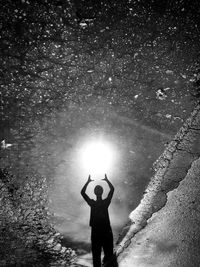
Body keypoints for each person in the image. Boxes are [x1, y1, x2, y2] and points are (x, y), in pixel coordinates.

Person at [81, 174, 114, 267]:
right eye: (97, 189)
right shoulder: (96, 203)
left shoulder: (101, 203)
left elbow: (112, 190)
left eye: (99, 189)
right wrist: (87, 182)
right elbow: (82, 193)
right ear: (96, 192)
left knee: (107, 257)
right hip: (99, 231)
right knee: (99, 258)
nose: (98, 191)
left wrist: (107, 181)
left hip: (104, 231)